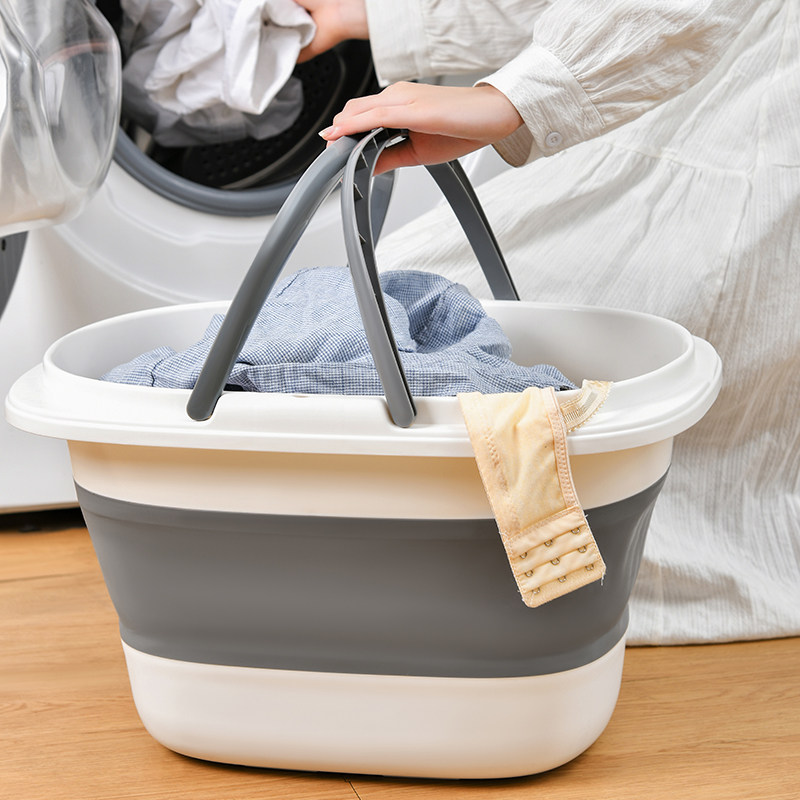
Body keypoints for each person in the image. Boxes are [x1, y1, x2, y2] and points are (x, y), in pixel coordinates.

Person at [294, 0, 800, 645]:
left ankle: (546, 590)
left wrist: (514, 97)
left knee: (394, 327)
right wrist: (375, 16)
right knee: (363, 321)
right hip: (631, 86)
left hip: (734, 113)